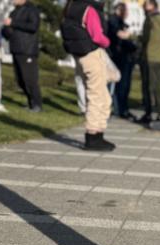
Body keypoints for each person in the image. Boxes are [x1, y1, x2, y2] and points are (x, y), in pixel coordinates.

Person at [61, 0, 114, 151]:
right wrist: (107, 42)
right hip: (92, 55)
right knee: (96, 97)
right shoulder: (89, 10)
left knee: (103, 97)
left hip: (81, 57)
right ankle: (92, 136)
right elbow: (97, 36)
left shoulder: (72, 9)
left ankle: (98, 134)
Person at [3, 0, 42, 112]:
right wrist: (5, 29)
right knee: (20, 80)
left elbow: (33, 26)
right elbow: (10, 28)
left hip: (27, 49)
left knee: (30, 79)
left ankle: (37, 104)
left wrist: (13, 23)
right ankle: (31, 103)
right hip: (16, 48)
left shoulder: (31, 10)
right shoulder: (14, 12)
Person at [138, 0, 160, 123]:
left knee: (147, 87)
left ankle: (148, 113)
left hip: (149, 58)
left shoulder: (150, 19)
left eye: (145, 4)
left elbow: (146, 37)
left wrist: (130, 36)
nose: (143, 7)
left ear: (152, 6)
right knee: (157, 87)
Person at [107, 2, 135, 118]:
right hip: (118, 57)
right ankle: (119, 109)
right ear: (117, 11)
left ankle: (122, 108)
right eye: (124, 10)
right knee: (121, 85)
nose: (126, 13)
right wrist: (132, 46)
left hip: (122, 57)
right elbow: (119, 37)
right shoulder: (114, 22)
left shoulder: (121, 23)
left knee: (124, 85)